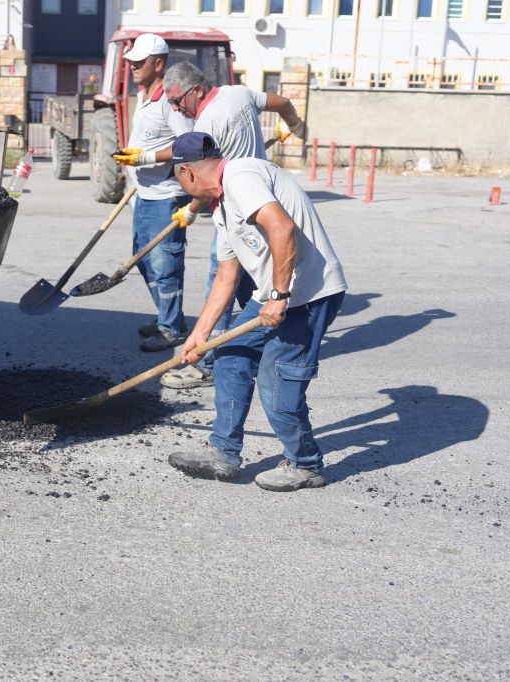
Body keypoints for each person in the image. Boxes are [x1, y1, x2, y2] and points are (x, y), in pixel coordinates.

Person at [162, 131, 347, 492]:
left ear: (187, 173)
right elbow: (226, 278)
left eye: (178, 181)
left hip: (308, 295)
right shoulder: (221, 209)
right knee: (230, 355)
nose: (182, 190)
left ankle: (306, 464)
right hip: (271, 296)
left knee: (277, 379)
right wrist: (200, 335)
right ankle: (224, 452)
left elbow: (281, 226)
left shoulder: (241, 177)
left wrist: (279, 294)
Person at [125, 61, 305, 387]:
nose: (176, 107)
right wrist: (293, 125)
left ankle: (207, 364)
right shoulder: (239, 93)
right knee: (254, 282)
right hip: (262, 201)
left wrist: (191, 208)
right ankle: (276, 343)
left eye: (178, 100)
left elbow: (207, 179)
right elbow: (282, 103)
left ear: (197, 90)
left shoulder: (206, 123)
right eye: (170, 103)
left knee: (220, 282)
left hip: (236, 210)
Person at [109, 34, 193, 352]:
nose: (132, 67)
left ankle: (171, 330)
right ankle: (167, 317)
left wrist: (145, 158)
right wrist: (133, 157)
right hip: (144, 192)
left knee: (165, 264)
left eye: (139, 62)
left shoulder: (170, 102)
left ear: (158, 63)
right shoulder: (144, 97)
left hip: (167, 196)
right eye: (130, 62)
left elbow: (188, 144)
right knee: (144, 262)